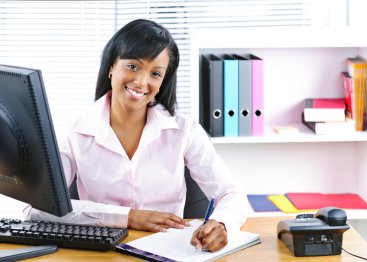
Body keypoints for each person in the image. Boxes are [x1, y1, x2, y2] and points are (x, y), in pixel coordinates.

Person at [27, 19, 249, 252]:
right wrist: (128, 217)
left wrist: (222, 223)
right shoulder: (73, 131)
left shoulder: (185, 129)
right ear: (111, 66)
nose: (142, 82)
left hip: (170, 250)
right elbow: (40, 208)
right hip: (101, 250)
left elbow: (231, 193)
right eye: (133, 66)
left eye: (155, 73)